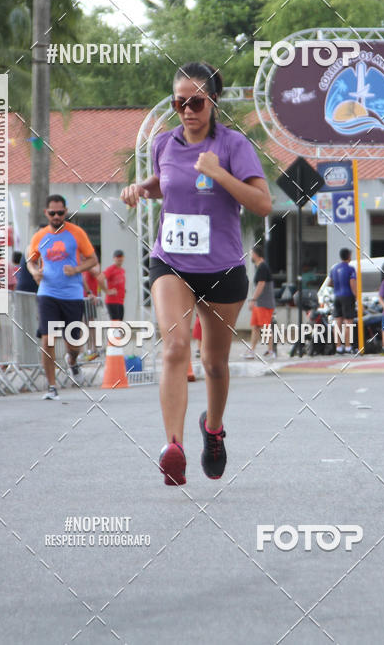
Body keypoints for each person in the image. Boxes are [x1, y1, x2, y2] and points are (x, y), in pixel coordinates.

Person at [120, 61, 271, 486]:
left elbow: (262, 204)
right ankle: (174, 447)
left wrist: (218, 173)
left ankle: (214, 430)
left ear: (213, 101)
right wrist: (139, 189)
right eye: (179, 102)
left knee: (215, 363)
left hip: (223, 268)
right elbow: (165, 183)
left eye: (197, 101)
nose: (188, 109)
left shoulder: (234, 146)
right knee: (175, 348)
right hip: (172, 263)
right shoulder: (163, 144)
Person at [26, 195, 98, 400]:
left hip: (72, 294)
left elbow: (93, 260)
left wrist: (76, 269)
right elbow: (31, 261)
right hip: (48, 293)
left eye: (60, 213)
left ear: (66, 212)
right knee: (48, 339)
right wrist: (34, 272)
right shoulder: (39, 236)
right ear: (46, 213)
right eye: (52, 213)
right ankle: (51, 386)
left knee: (74, 345)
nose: (56, 216)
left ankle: (72, 361)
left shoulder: (76, 233)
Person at [247, 245, 276, 358]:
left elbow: (261, 284)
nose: (250, 256)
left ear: (255, 254)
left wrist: (253, 299)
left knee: (265, 327)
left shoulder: (263, 267)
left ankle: (270, 351)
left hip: (264, 303)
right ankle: (251, 351)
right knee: (255, 327)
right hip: (260, 303)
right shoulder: (260, 267)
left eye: (251, 253)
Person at [327, 248, 357, 354]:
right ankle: (348, 346)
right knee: (348, 322)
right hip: (347, 296)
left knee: (338, 322)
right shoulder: (350, 269)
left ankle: (338, 347)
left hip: (337, 296)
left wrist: (337, 286)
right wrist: (356, 296)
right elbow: (352, 283)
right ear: (348, 256)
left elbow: (329, 283)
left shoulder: (334, 268)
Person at [103, 250, 126, 320]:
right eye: (117, 257)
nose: (119, 259)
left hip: (120, 301)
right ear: (114, 258)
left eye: (121, 257)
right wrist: (107, 291)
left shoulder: (122, 270)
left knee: (120, 324)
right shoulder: (111, 269)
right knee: (115, 323)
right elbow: (100, 278)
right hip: (112, 301)